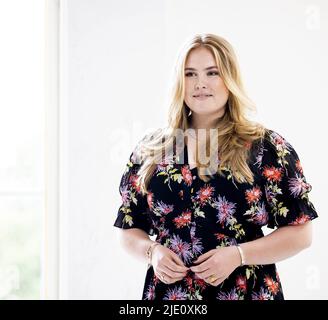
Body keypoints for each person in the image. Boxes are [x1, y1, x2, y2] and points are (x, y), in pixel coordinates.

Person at [113, 33, 318, 300]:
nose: (200, 84)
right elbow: (129, 227)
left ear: (229, 78)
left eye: (212, 73)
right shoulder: (152, 150)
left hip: (248, 292)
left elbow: (301, 232)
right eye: (189, 74)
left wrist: (239, 255)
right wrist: (152, 252)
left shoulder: (266, 147)